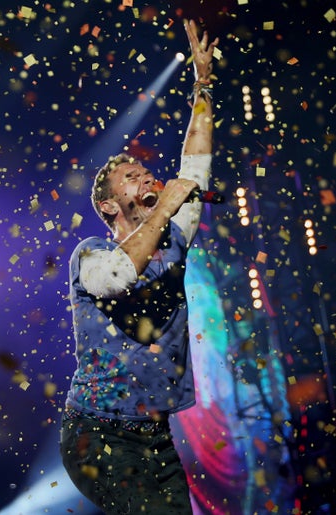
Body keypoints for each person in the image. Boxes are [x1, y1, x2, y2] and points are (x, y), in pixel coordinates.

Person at [60, 19, 219, 515]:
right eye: (132, 177)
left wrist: (202, 85)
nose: (147, 175)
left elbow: (195, 161)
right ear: (110, 206)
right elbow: (120, 277)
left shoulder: (173, 237)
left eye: (147, 171)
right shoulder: (90, 255)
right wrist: (168, 206)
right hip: (96, 432)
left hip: (155, 434)